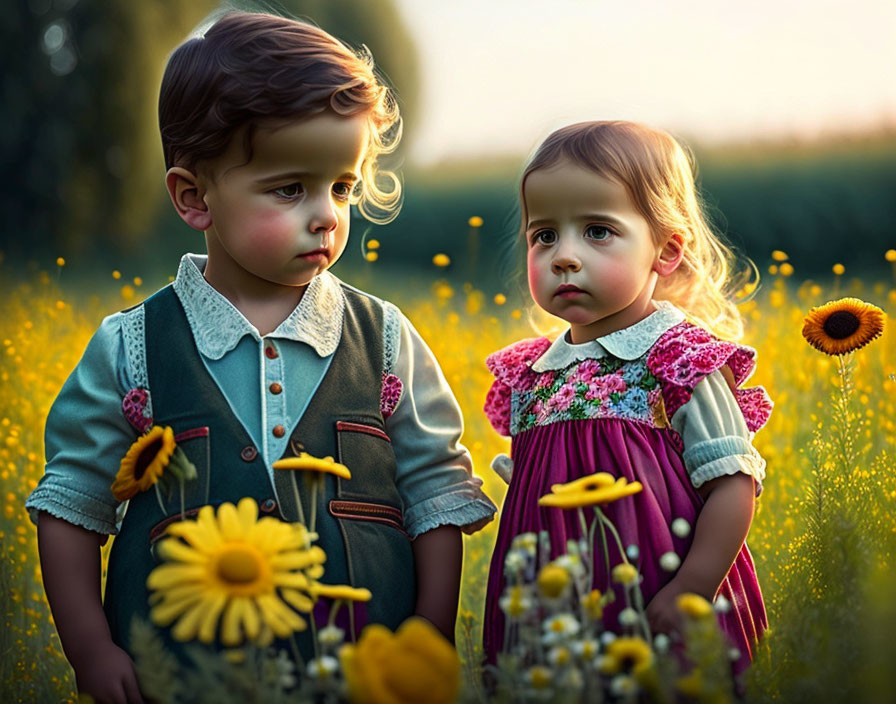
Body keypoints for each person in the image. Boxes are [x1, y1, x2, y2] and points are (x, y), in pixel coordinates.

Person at [25, 11, 496, 703]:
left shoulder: (385, 340)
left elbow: (435, 500)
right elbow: (70, 508)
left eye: (341, 186)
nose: (327, 215)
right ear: (195, 197)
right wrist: (90, 648)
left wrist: (428, 638)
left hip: (363, 676)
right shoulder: (133, 347)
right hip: (184, 679)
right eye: (289, 189)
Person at [482, 121, 772, 683]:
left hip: (658, 591)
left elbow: (733, 483)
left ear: (665, 250)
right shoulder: (533, 371)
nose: (563, 256)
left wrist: (692, 589)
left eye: (596, 231)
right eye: (544, 236)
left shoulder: (676, 358)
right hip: (553, 603)